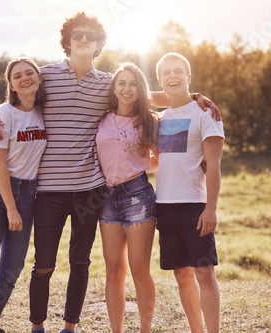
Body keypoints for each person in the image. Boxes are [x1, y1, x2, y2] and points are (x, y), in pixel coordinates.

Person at [0, 12, 220, 333]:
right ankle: (56, 327)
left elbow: (142, 91)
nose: (83, 40)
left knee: (108, 266)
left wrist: (193, 97)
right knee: (61, 266)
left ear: (98, 43)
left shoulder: (109, 83)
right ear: (67, 40)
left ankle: (107, 328)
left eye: (90, 36)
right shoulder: (48, 75)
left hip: (114, 192)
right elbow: (20, 95)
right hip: (69, 192)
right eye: (77, 35)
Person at [0, 57, 47, 333]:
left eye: (30, 73)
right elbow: (0, 163)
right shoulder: (4, 114)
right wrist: (11, 208)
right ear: (11, 85)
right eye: (17, 76)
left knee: (12, 267)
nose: (25, 78)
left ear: (39, 78)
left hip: (27, 191)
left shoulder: (43, 110)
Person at [153, 52, 224, 333]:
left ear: (188, 76)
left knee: (204, 273)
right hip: (164, 206)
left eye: (178, 71)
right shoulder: (159, 118)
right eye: (166, 72)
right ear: (160, 79)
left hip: (195, 205)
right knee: (182, 275)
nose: (172, 76)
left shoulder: (206, 113)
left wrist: (211, 208)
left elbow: (215, 165)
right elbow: (139, 94)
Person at [96, 62, 158, 332]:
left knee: (139, 269)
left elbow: (164, 157)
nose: (127, 88)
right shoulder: (102, 116)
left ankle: (145, 329)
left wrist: (138, 167)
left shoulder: (149, 120)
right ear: (114, 88)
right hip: (106, 198)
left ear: (140, 89)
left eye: (133, 83)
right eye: (122, 83)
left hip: (138, 196)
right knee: (113, 270)